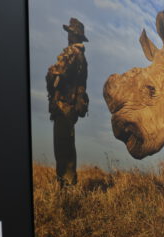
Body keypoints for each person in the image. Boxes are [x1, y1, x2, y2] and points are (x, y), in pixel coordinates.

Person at [46, 18, 89, 187]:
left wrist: (50, 75)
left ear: (75, 35)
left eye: (70, 33)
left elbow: (56, 73)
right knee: (68, 148)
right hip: (70, 109)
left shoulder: (72, 52)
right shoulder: (82, 57)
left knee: (62, 150)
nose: (68, 36)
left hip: (64, 107)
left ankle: (66, 187)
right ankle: (69, 186)